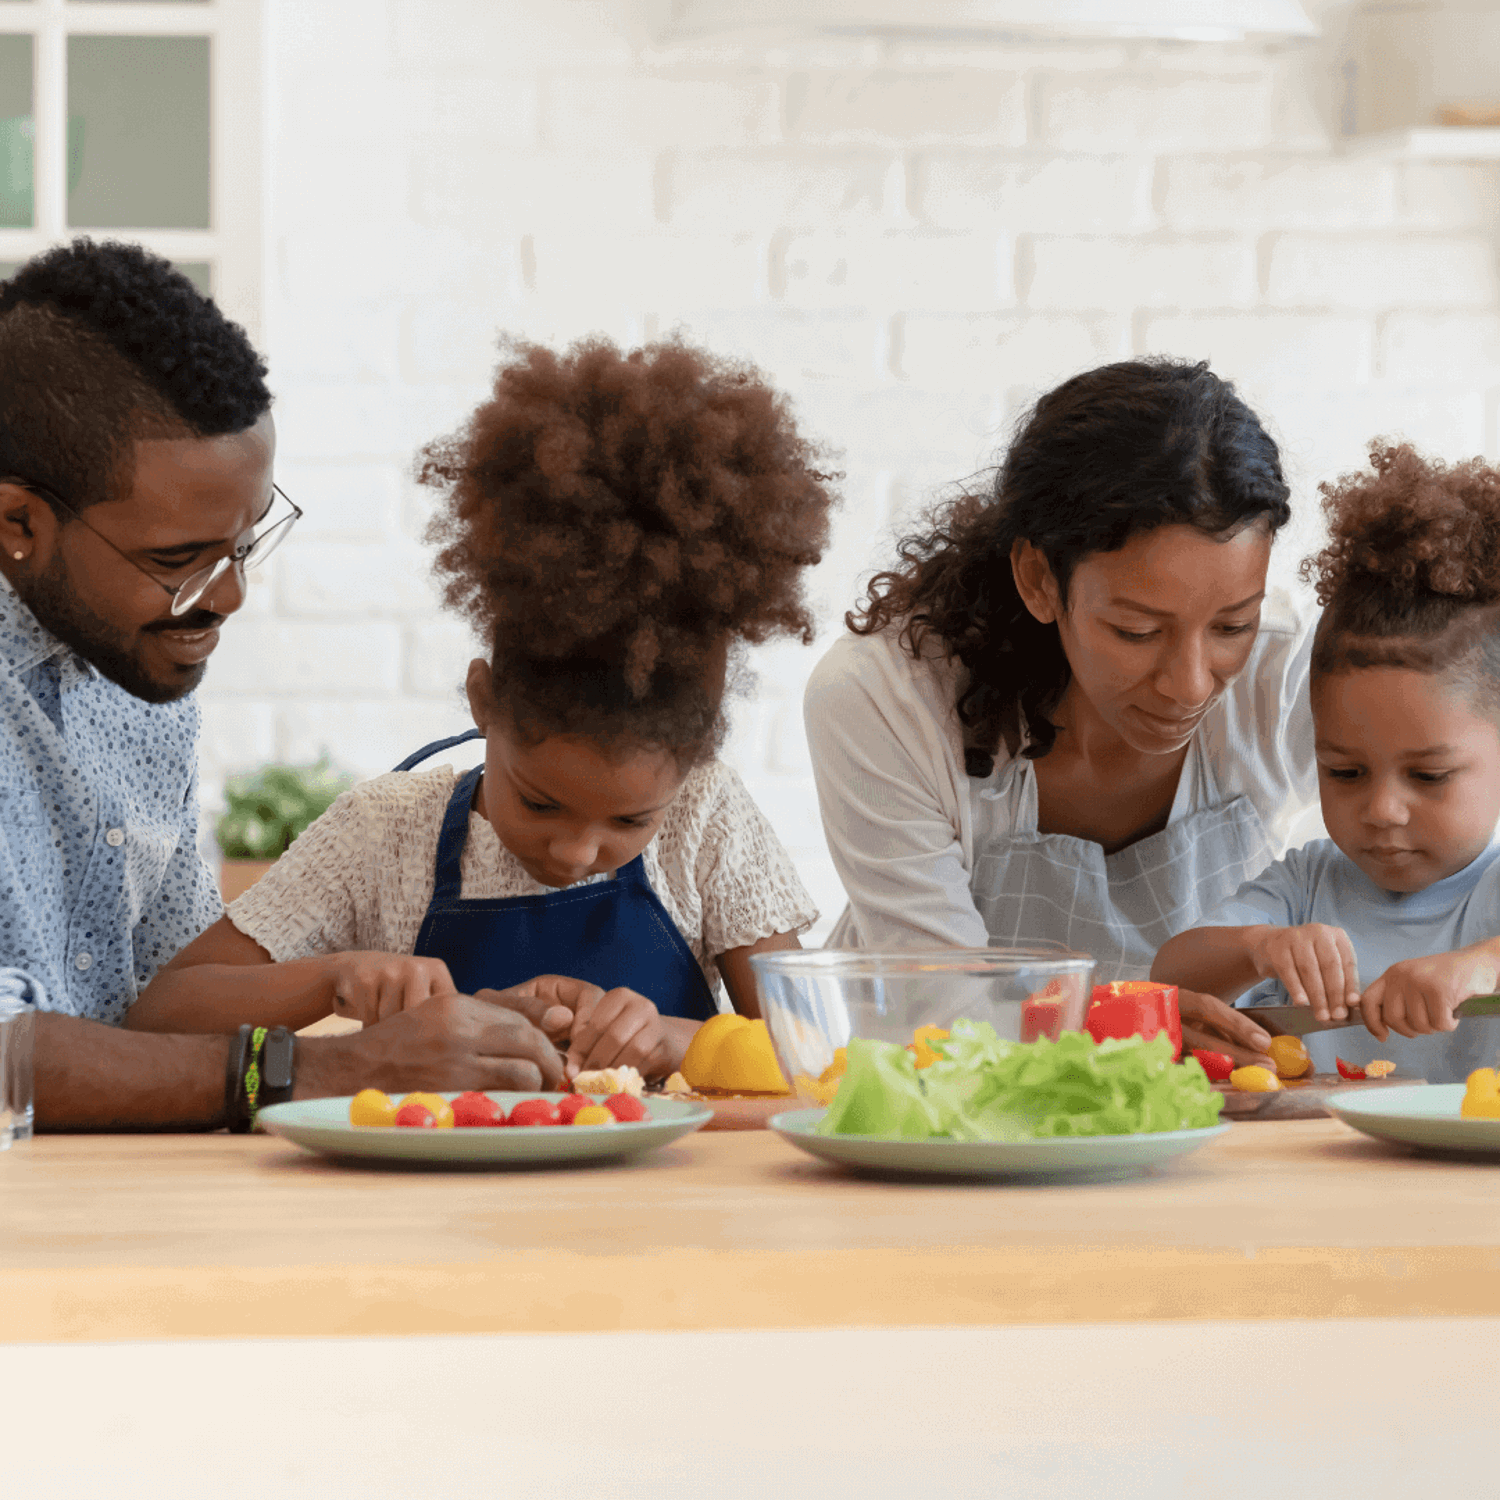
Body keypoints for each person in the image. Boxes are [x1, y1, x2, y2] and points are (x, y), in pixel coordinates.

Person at [126, 336, 833, 1081]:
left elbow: (823, 1055)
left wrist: (679, 1040)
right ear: (484, 702)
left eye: (629, 821)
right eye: (542, 801)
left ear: (693, 764)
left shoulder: (709, 821)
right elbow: (160, 1012)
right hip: (434, 1197)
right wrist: (333, 977)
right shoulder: (384, 834)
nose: (574, 851)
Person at [0, 239, 567, 1130]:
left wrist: (393, 1007)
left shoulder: (134, 670)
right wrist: (330, 1065)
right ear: (19, 522)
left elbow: (161, 997)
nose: (227, 595)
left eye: (243, 543)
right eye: (176, 560)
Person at [804, 358, 1318, 1067]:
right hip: (939, 1108)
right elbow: (944, 1011)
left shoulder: (1290, 676)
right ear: (1039, 580)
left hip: (1206, 1108)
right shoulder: (883, 698)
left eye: (1233, 625)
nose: (1191, 686)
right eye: (1138, 632)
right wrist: (1131, 1028)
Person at [1152, 443, 1500, 1083]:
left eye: (1428, 776)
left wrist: (1479, 965)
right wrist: (1261, 947)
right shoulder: (1307, 886)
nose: (1383, 810)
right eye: (1345, 772)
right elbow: (1171, 971)